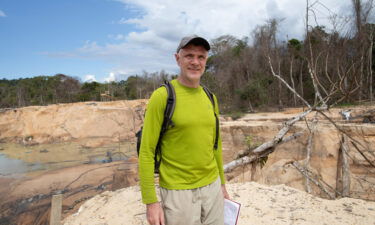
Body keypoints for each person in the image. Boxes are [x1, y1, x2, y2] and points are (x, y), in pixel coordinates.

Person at [139, 35, 229, 225]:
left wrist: (222, 184)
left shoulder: (210, 97)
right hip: (177, 193)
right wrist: (151, 202)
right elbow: (146, 151)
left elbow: (216, 145)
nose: (195, 62)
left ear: (206, 61)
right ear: (177, 58)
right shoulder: (162, 97)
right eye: (189, 56)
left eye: (201, 57)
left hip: (212, 187)